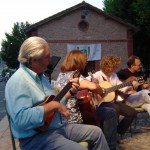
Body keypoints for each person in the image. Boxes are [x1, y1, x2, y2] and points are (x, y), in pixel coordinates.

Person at [5, 37, 109, 150]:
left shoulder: (42, 77)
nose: (50, 60)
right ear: (34, 60)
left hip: (58, 127)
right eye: (47, 56)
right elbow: (21, 120)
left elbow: (54, 104)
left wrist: (70, 92)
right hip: (36, 138)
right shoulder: (18, 81)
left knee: (97, 133)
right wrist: (52, 106)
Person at [56, 50, 119, 150]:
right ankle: (110, 147)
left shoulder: (61, 75)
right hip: (76, 117)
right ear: (78, 63)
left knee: (107, 112)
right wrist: (101, 90)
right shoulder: (74, 76)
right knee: (110, 113)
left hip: (66, 116)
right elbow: (94, 87)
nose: (85, 64)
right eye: (84, 62)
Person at [87, 55, 137, 136]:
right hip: (100, 103)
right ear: (109, 66)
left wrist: (131, 85)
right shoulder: (97, 75)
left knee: (132, 112)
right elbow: (84, 82)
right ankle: (108, 134)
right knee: (115, 109)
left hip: (112, 101)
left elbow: (122, 87)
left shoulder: (114, 75)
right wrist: (93, 84)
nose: (116, 68)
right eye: (115, 67)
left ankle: (118, 132)